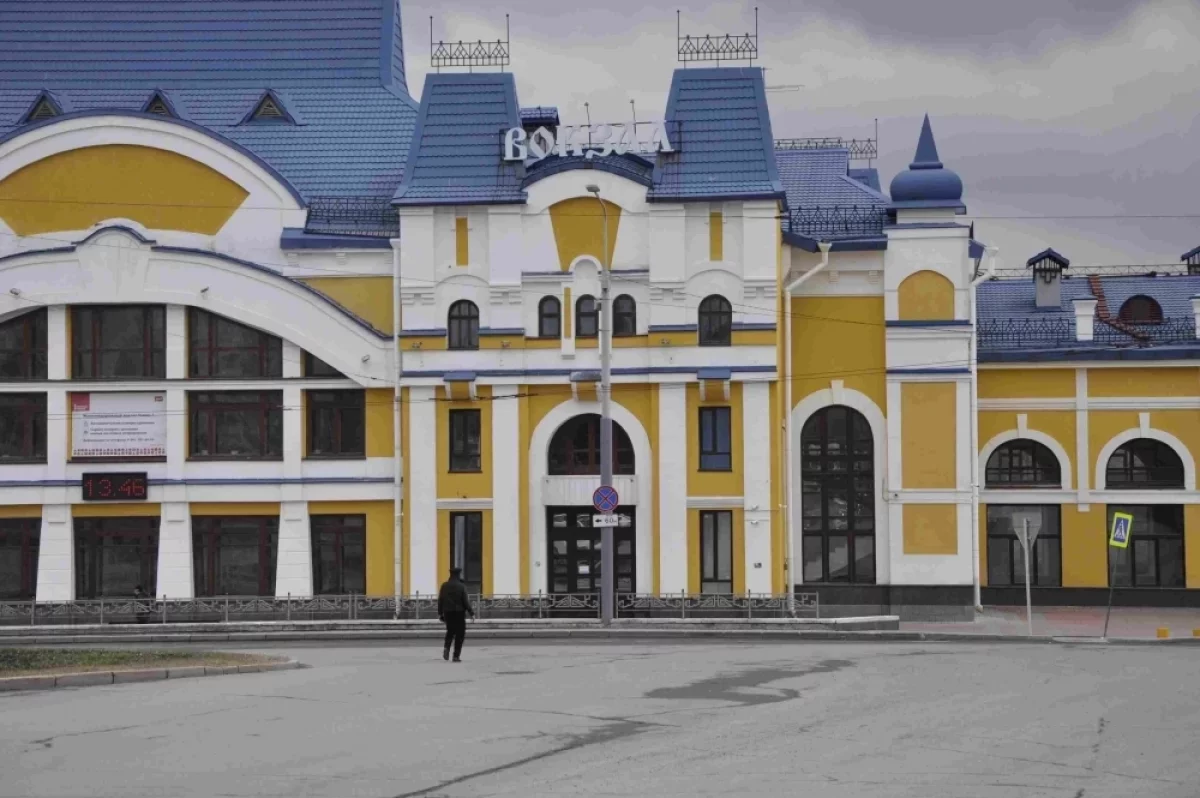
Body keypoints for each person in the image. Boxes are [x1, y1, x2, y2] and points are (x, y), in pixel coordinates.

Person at [437, 567, 474, 662]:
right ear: (458, 575)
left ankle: (446, 647)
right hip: (459, 613)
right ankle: (456, 656)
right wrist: (471, 613)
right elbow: (465, 601)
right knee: (460, 634)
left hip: (447, 612)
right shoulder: (461, 586)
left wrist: (440, 613)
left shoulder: (444, 586)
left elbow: (440, 600)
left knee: (450, 631)